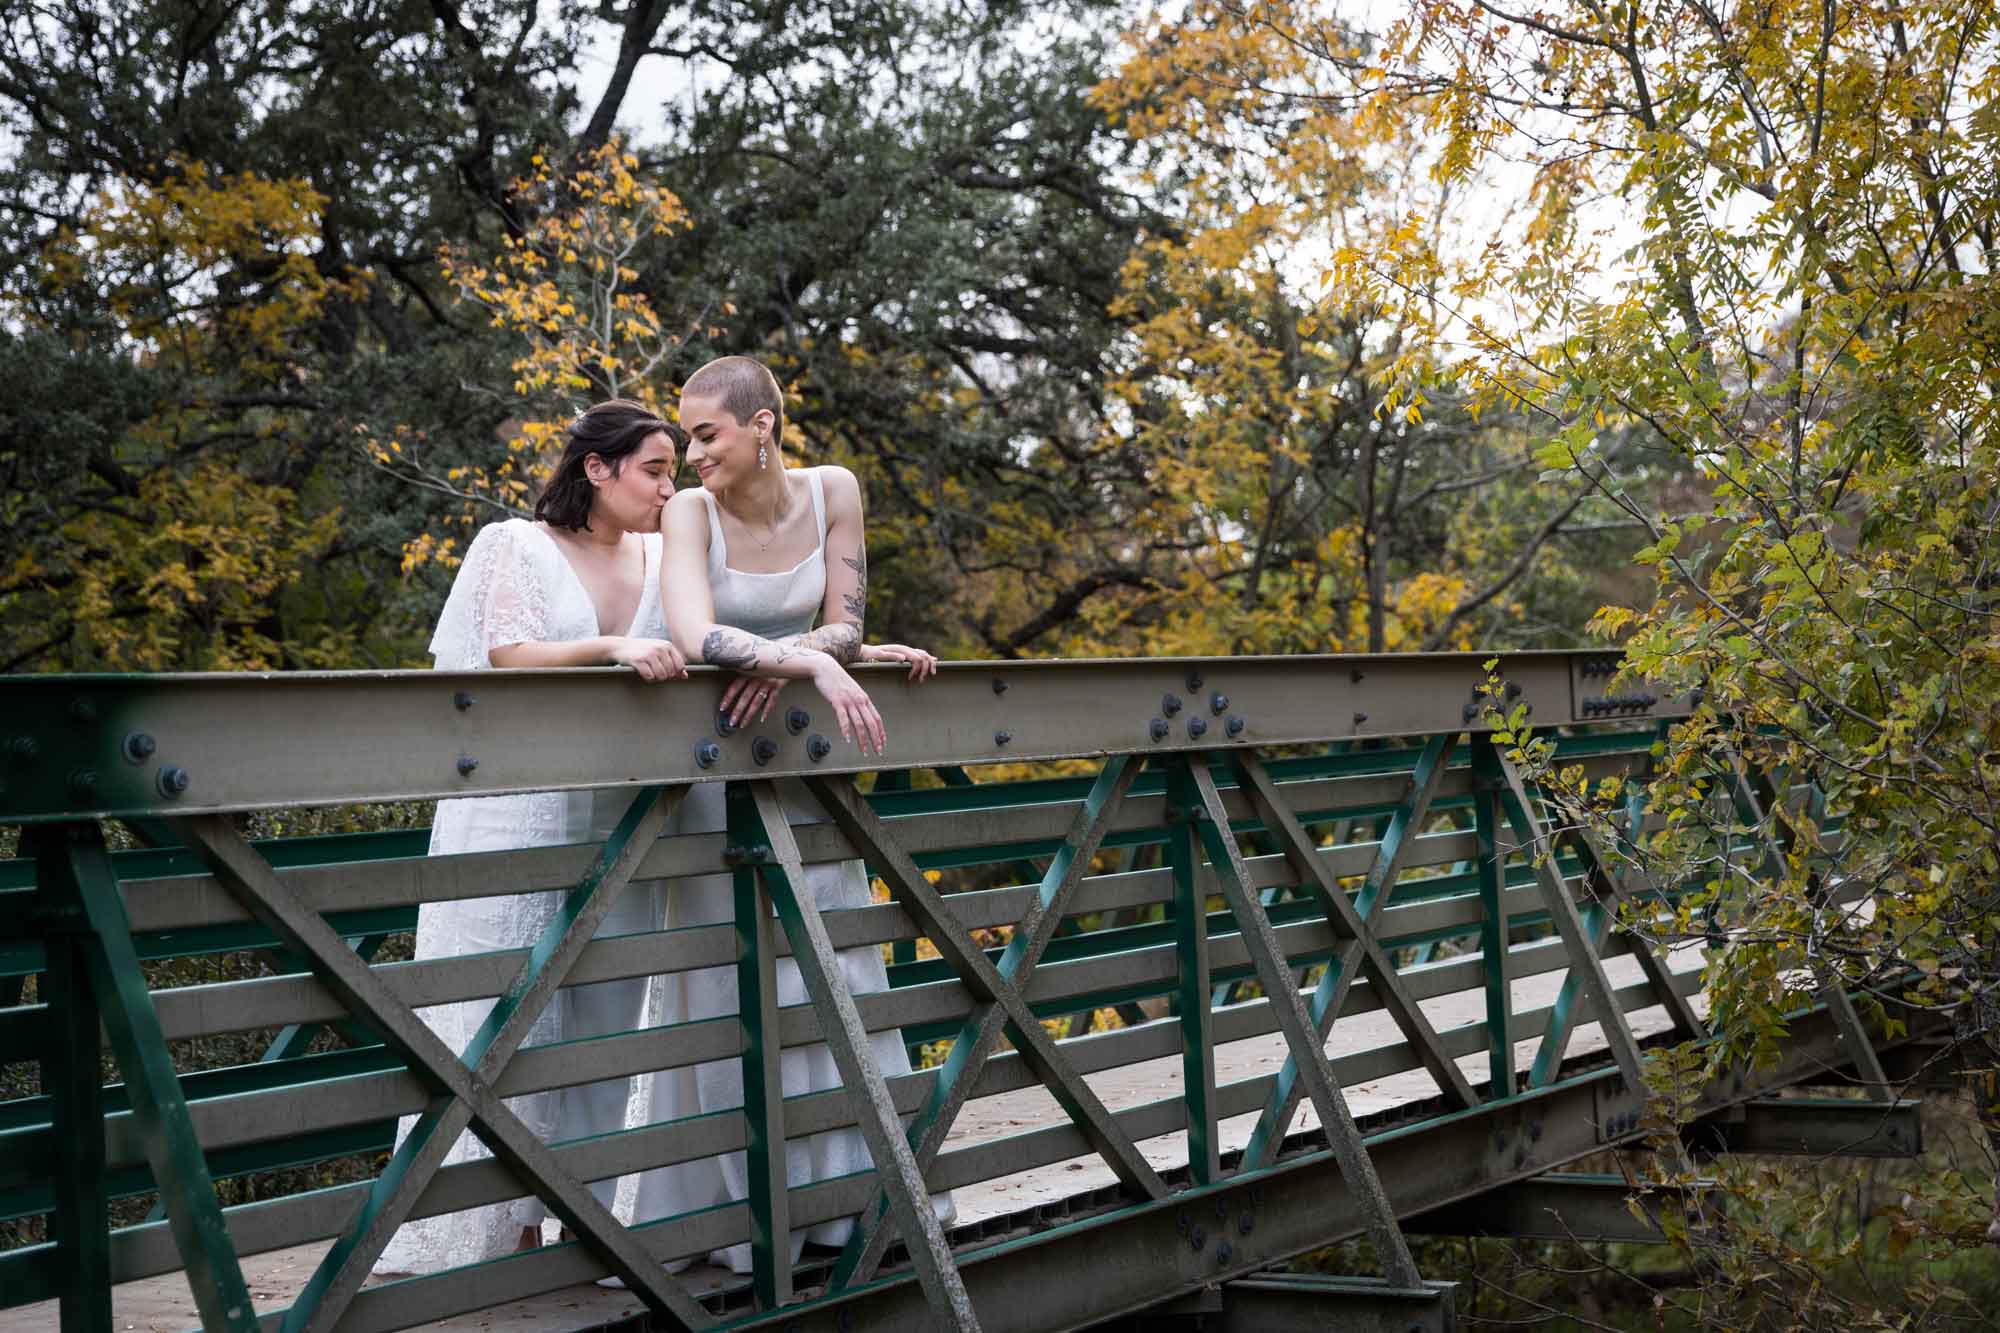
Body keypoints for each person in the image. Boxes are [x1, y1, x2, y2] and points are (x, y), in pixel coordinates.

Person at [632, 355, 951, 1274]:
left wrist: (811, 654)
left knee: (833, 966)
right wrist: (808, 662)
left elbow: (850, 624)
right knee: (727, 977)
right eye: (686, 437)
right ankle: (734, 1218)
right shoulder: (690, 512)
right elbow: (695, 640)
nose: (691, 455)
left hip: (802, 769)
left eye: (706, 434)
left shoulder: (835, 489)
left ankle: (849, 1202)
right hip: (710, 773)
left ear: (763, 424)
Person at [375, 400, 687, 1276]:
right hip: (517, 806)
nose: (671, 486)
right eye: (655, 469)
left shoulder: (671, 554)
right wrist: (614, 645)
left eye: (674, 470)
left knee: (610, 1007)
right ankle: (486, 1231)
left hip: (625, 815)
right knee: (502, 1005)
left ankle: (587, 1216)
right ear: (598, 469)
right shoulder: (512, 544)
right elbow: (507, 653)